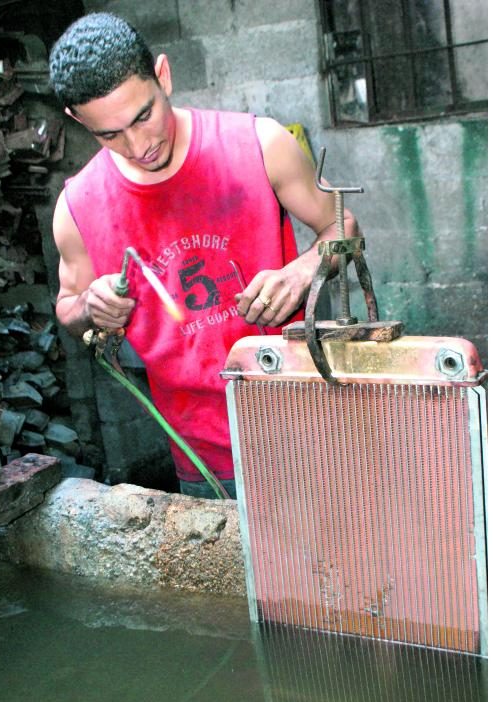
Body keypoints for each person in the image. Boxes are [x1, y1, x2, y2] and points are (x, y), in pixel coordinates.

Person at [47, 12, 359, 499]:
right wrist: (91, 306)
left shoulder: (259, 144)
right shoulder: (77, 207)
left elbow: (342, 227)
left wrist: (303, 271)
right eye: (110, 135)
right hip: (203, 457)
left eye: (143, 116)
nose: (139, 145)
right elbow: (68, 307)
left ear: (163, 76)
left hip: (310, 425)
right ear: (78, 119)